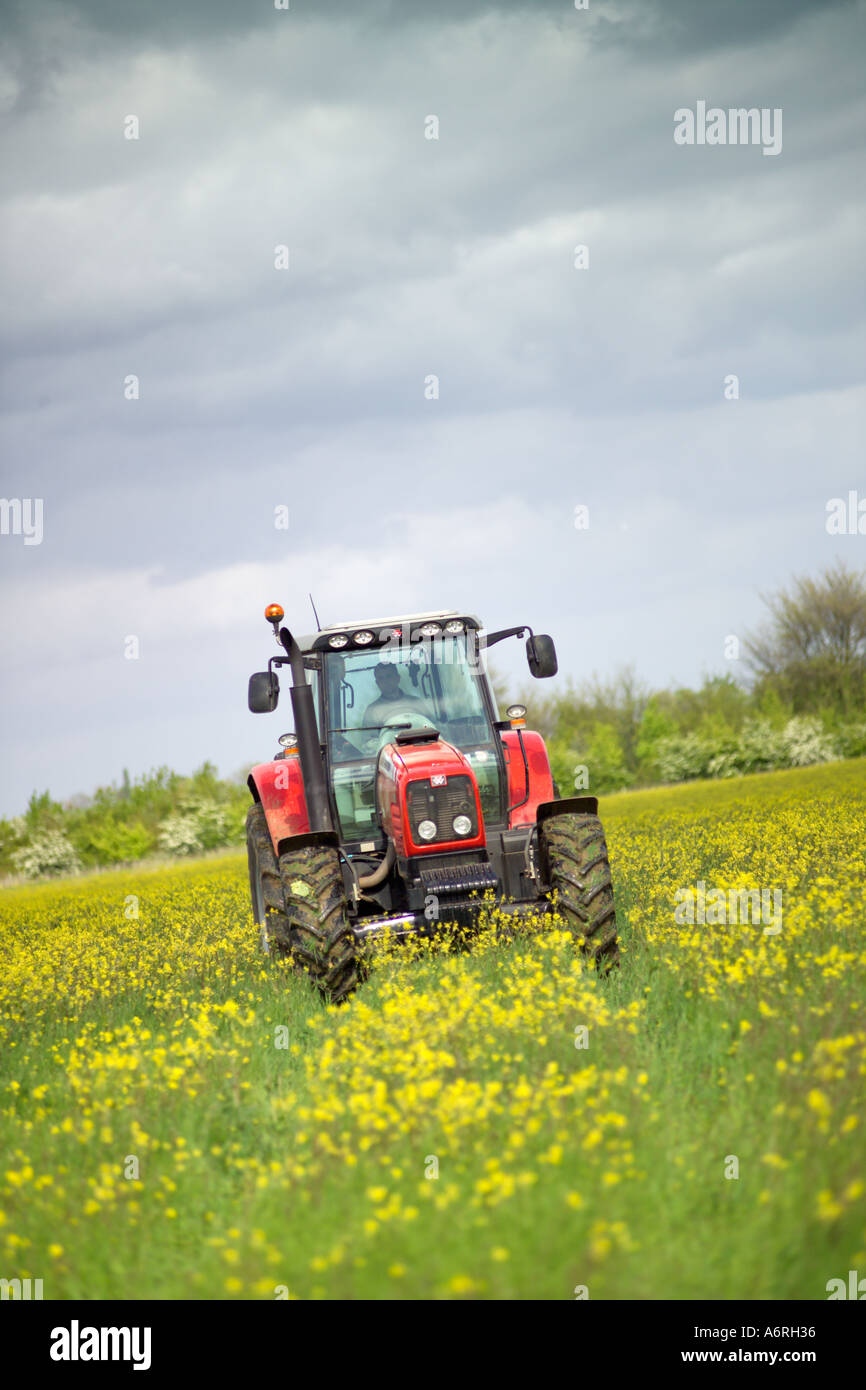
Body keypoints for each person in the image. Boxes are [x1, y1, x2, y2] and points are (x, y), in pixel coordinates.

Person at [361, 662, 435, 729]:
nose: (385, 681)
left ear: (398, 678)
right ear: (377, 683)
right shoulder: (372, 711)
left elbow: (434, 728)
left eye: (389, 676)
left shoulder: (416, 702)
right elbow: (369, 740)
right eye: (381, 678)